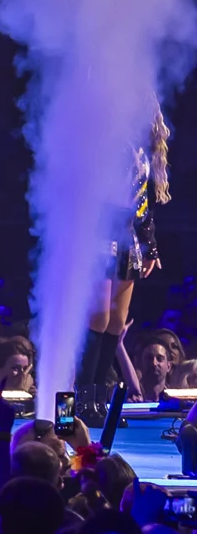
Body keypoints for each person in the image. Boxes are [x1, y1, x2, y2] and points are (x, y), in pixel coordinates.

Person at [76, 109, 169, 410]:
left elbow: (146, 205)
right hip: (103, 231)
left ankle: (99, 400)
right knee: (99, 318)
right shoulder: (111, 141)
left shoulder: (147, 154)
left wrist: (151, 247)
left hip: (130, 236)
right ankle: (83, 397)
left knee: (116, 322)